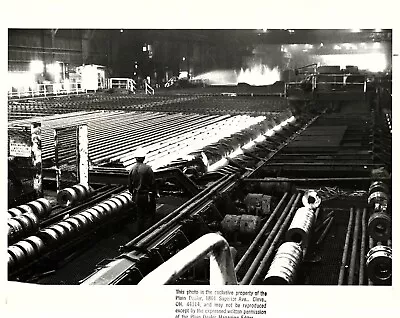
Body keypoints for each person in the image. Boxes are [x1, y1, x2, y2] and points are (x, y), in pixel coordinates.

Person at [128, 147, 157, 234]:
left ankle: (139, 234)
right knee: (149, 214)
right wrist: (155, 193)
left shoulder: (131, 169)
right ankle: (149, 234)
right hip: (147, 196)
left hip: (137, 196)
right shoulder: (147, 168)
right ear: (144, 158)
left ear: (135, 158)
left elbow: (130, 186)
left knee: (140, 216)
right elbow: (153, 183)